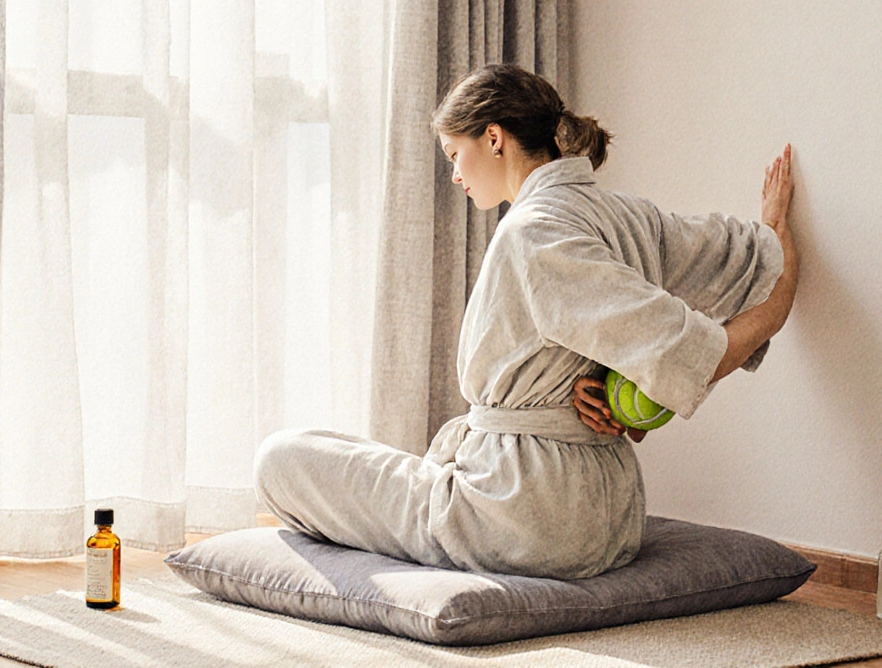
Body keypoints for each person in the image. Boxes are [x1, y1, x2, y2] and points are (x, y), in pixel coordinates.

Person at [254, 63, 798, 580]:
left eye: (454, 153)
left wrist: (775, 313)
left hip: (526, 515)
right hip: (612, 514)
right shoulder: (630, 216)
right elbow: (753, 260)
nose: (453, 174)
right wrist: (772, 231)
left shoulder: (534, 233)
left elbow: (688, 353)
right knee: (359, 456)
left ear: (494, 138)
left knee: (281, 458)